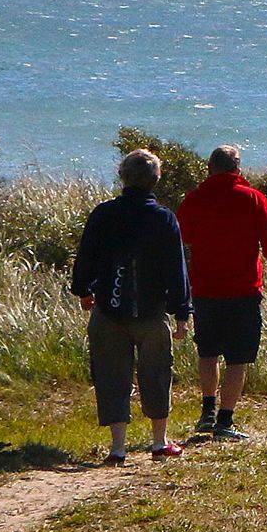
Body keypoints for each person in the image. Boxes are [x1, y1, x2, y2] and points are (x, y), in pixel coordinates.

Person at [69, 149, 193, 464]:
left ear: (122, 176)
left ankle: (118, 448)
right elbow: (175, 270)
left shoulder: (103, 213)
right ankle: (159, 441)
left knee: (111, 376)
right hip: (151, 310)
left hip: (108, 307)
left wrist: (83, 290)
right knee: (156, 373)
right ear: (155, 179)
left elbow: (86, 257)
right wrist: (182, 313)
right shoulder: (164, 218)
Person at [176, 144, 267, 441]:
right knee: (237, 358)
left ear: (209, 168)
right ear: (238, 169)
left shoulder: (195, 199)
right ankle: (225, 420)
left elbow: (181, 236)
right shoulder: (253, 199)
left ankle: (207, 412)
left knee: (208, 352)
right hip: (242, 290)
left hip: (204, 288)